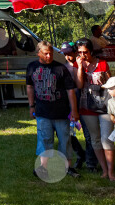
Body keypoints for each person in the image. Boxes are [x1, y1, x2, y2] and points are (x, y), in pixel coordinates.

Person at [26, 40, 81, 179]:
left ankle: (67, 167)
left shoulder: (60, 68)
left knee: (65, 140)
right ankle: (42, 168)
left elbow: (70, 91)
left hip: (61, 112)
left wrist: (74, 110)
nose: (49, 56)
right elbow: (30, 87)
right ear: (38, 53)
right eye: (45, 54)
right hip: (43, 112)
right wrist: (31, 105)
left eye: (50, 53)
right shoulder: (32, 67)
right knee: (45, 140)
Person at [76, 40, 115, 180]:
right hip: (87, 106)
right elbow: (80, 85)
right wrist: (80, 68)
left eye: (85, 52)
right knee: (95, 139)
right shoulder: (79, 65)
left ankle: (111, 171)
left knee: (107, 139)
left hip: (104, 105)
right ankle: (104, 170)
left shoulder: (102, 64)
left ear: (91, 51)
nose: (82, 55)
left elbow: (111, 84)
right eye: (79, 52)